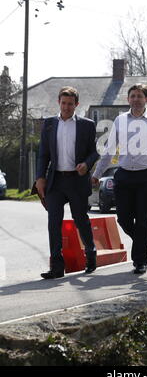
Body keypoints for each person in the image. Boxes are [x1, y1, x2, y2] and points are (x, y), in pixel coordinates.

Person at [92, 84, 147, 275]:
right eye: (132, 96)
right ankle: (143, 241)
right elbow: (109, 150)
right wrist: (97, 174)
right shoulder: (120, 120)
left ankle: (140, 260)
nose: (136, 99)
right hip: (124, 175)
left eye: (140, 96)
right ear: (128, 99)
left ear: (146, 99)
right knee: (124, 219)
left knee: (143, 220)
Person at [36, 87, 99, 279]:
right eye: (63, 103)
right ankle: (56, 266)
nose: (66, 107)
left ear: (76, 105)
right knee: (53, 222)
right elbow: (43, 154)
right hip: (56, 181)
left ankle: (90, 254)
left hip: (76, 180)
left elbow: (94, 152)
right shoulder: (48, 124)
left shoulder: (87, 125)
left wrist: (87, 165)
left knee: (81, 219)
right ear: (59, 103)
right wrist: (40, 178)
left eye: (70, 104)